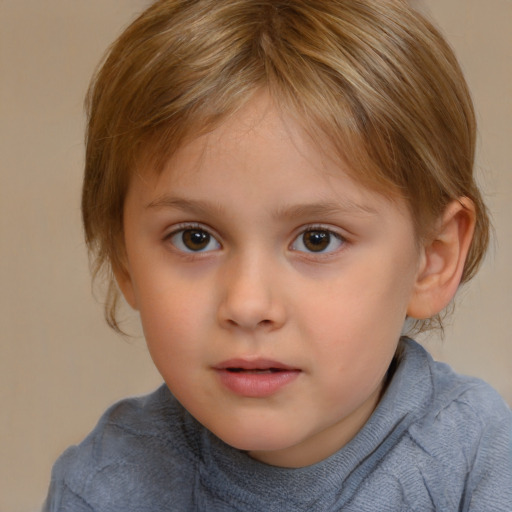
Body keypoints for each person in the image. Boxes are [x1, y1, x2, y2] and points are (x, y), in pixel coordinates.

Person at [43, 0, 512, 510]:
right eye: (195, 238)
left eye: (317, 239)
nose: (247, 304)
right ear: (124, 257)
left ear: (433, 259)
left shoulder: (479, 465)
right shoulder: (104, 484)